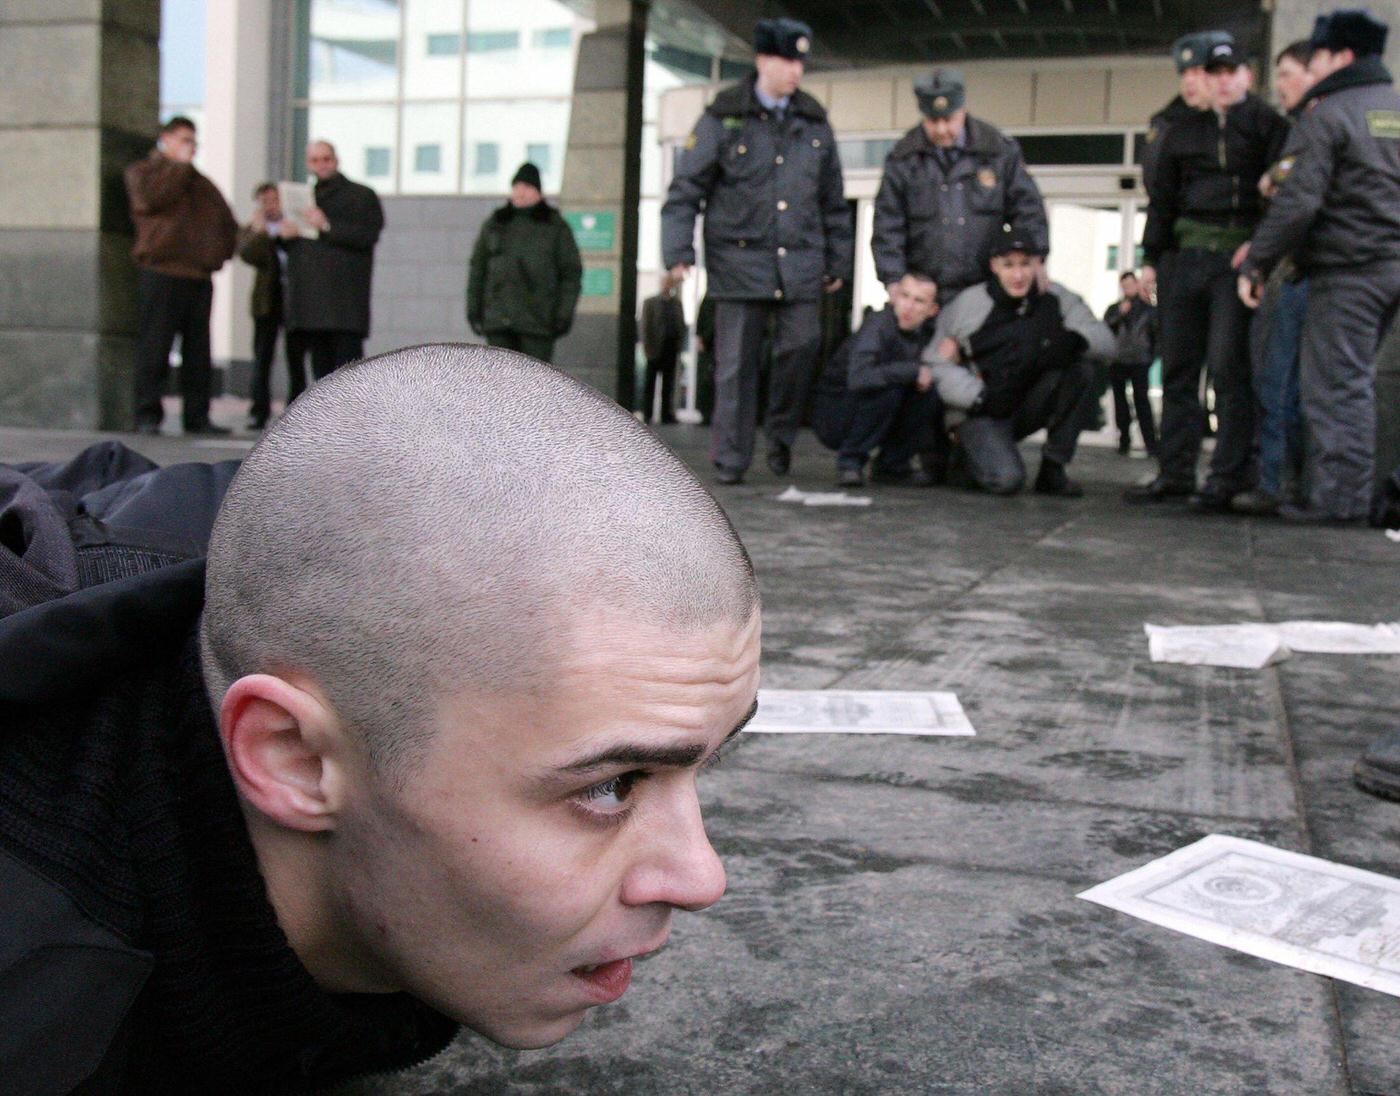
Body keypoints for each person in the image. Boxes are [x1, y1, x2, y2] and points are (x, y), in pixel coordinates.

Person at [0, 345, 760, 1094]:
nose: (702, 877)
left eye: (711, 759)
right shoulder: (41, 1004)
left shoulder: (357, 540)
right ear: (293, 757)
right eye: (611, 786)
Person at [661, 18, 853, 485]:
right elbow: (686, 190)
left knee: (801, 350)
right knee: (735, 366)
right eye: (787, 60)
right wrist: (678, 250)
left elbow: (833, 200)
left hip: (801, 262)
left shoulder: (814, 121)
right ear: (763, 60)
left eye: (800, 62)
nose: (796, 71)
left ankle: (780, 436)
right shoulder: (723, 116)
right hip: (738, 262)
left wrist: (838, 261)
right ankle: (731, 456)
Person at [1240, 10, 1400, 526]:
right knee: (1372, 383)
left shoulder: (1330, 115)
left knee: (1336, 386)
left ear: (1343, 57)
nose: (1315, 68)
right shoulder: (1395, 108)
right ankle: (1368, 494)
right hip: (1392, 265)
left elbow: (1298, 202)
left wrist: (1257, 262)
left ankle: (1339, 501)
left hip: (1349, 270)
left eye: (1321, 57)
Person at [1127, 38, 1289, 511]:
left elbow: (1282, 197)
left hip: (1234, 261)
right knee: (1178, 369)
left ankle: (1227, 476)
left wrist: (1259, 252)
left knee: (1227, 369)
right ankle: (1175, 472)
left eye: (1229, 71)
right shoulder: (1181, 130)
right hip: (1183, 259)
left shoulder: (1269, 126)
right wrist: (1151, 259)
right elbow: (1163, 200)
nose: (1220, 81)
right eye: (1212, 72)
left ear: (1247, 76)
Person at [925, 235, 1113, 497]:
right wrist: (978, 397)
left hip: (1027, 404)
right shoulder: (968, 304)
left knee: (1083, 369)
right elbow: (934, 361)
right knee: (1007, 480)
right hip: (982, 411)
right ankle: (964, 458)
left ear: (1038, 264)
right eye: (1009, 265)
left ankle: (1053, 468)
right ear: (994, 266)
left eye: (1025, 264)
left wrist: (1074, 340)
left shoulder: (1057, 298)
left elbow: (1106, 342)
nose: (1018, 275)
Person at [872, 69, 1048, 308]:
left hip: (987, 293)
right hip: (926, 297)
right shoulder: (904, 159)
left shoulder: (998, 151)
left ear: (962, 110)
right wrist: (894, 281)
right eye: (933, 121)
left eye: (949, 119)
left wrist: (1033, 260)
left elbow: (1028, 212)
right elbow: (888, 225)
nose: (941, 129)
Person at [1233, 40, 1319, 515]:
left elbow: (1295, 200)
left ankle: (1278, 483)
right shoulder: (1307, 127)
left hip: (1306, 270)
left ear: (1314, 73)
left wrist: (1258, 260)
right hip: (1321, 270)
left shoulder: (1317, 125)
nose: (1278, 84)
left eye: (1287, 73)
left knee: (1281, 382)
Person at [123, 116, 238, 436]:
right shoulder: (143, 173)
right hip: (161, 272)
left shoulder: (202, 184)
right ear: (166, 139)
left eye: (194, 141)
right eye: (185, 140)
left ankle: (197, 417)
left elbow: (226, 223)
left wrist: (218, 255)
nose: (192, 147)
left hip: (199, 276)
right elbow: (150, 201)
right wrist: (178, 169)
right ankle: (147, 415)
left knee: (198, 353)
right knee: (155, 347)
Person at [817, 271, 942, 488]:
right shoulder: (878, 325)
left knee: (928, 394)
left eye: (919, 301)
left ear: (932, 310)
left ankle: (892, 466)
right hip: (837, 412)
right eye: (904, 296)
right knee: (887, 387)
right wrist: (912, 371)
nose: (908, 306)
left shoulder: (928, 334)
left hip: (872, 410)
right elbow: (860, 378)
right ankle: (850, 463)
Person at [281, 141, 385, 381]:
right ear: (308, 164)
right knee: (321, 376)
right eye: (315, 160)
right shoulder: (306, 198)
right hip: (312, 307)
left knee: (349, 378)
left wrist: (326, 225)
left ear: (336, 160)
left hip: (345, 305)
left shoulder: (361, 196)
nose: (322, 165)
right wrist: (287, 236)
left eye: (326, 159)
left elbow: (367, 235)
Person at [466, 163, 582, 364]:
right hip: (498, 322)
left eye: (526, 187)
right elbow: (478, 269)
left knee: (534, 380)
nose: (520, 192)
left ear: (538, 192)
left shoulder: (555, 226)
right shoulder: (496, 223)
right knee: (498, 379)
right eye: (516, 187)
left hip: (538, 324)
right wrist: (474, 310)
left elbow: (570, 274)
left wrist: (563, 315)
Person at [237, 182, 301, 431]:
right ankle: (258, 411)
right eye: (265, 201)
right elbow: (247, 254)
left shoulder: (296, 225)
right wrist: (260, 233)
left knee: (295, 358)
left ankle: (296, 410)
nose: (270, 206)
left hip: (294, 300)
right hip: (267, 301)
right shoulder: (254, 229)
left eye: (274, 200)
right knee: (262, 357)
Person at [1142, 32, 1234, 200]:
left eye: (1197, 71)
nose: (1189, 80)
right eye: (1184, 73)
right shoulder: (1167, 124)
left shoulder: (1250, 118)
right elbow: (1157, 186)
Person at [1104, 271, 1159, 457]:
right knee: (1120, 403)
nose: (1128, 289)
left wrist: (1151, 356)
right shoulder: (1115, 309)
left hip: (1140, 360)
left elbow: (1155, 334)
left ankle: (1150, 443)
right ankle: (1124, 440)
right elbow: (1106, 329)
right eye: (1124, 286)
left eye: (1130, 285)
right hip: (1119, 360)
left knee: (1142, 401)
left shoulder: (1147, 309)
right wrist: (1120, 314)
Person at [639, 273, 686, 423]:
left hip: (670, 349)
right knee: (650, 383)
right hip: (654, 349)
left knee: (668, 384)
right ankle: (647, 414)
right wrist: (647, 347)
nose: (667, 286)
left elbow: (681, 325)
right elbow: (645, 326)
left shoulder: (676, 303)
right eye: (665, 283)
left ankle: (666, 414)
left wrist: (679, 345)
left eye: (669, 283)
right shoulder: (650, 302)